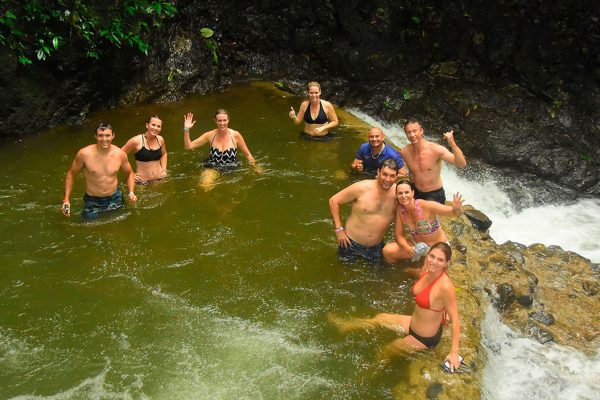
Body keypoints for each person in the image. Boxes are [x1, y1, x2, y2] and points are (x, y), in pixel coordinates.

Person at [329, 242, 462, 371]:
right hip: (413, 323)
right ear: (427, 255)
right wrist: (404, 269)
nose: (434, 261)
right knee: (380, 318)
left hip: (424, 338)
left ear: (446, 263)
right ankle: (347, 325)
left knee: (388, 350)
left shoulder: (445, 286)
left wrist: (454, 353)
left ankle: (368, 373)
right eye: (432, 256)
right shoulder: (428, 271)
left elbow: (455, 320)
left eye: (440, 260)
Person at [329, 158, 399, 263]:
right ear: (378, 172)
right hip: (350, 243)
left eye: (392, 176)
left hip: (377, 247)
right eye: (384, 174)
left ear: (397, 176)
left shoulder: (399, 193)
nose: (388, 179)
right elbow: (334, 201)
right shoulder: (362, 187)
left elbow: (411, 211)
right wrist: (339, 230)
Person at [62, 123, 137, 220]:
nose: (104, 139)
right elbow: (71, 175)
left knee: (118, 226)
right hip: (92, 201)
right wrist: (66, 199)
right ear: (96, 136)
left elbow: (130, 173)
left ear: (113, 136)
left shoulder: (120, 154)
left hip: (115, 198)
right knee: (90, 228)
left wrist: (131, 192)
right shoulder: (84, 154)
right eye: (100, 136)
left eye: (107, 135)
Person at [382, 179, 463, 264]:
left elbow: (453, 213)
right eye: (400, 193)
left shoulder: (426, 206)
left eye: (406, 192)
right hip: (418, 247)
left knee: (427, 275)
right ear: (397, 195)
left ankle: (414, 269)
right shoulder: (400, 209)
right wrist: (407, 248)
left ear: (413, 193)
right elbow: (398, 235)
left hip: (437, 249)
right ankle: (403, 269)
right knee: (388, 251)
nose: (403, 196)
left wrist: (456, 208)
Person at [183, 110, 257, 190]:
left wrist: (255, 166)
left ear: (228, 120)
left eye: (224, 120)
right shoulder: (210, 135)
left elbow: (248, 154)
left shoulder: (235, 135)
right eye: (219, 121)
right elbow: (188, 146)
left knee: (233, 191)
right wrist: (186, 129)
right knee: (205, 186)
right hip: (213, 166)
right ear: (215, 121)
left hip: (231, 167)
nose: (222, 123)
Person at [400, 118, 467, 204]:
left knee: (426, 216)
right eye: (409, 132)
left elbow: (462, 164)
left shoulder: (436, 150)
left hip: (434, 194)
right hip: (415, 191)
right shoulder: (405, 152)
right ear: (406, 134)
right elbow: (411, 172)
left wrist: (452, 143)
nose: (412, 135)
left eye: (414, 131)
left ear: (421, 131)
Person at [121, 115, 167, 184]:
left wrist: (164, 169)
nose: (155, 128)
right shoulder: (136, 141)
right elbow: (118, 155)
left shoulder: (160, 139)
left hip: (160, 180)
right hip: (142, 183)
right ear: (147, 125)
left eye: (158, 126)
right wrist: (131, 174)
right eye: (153, 125)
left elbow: (164, 154)